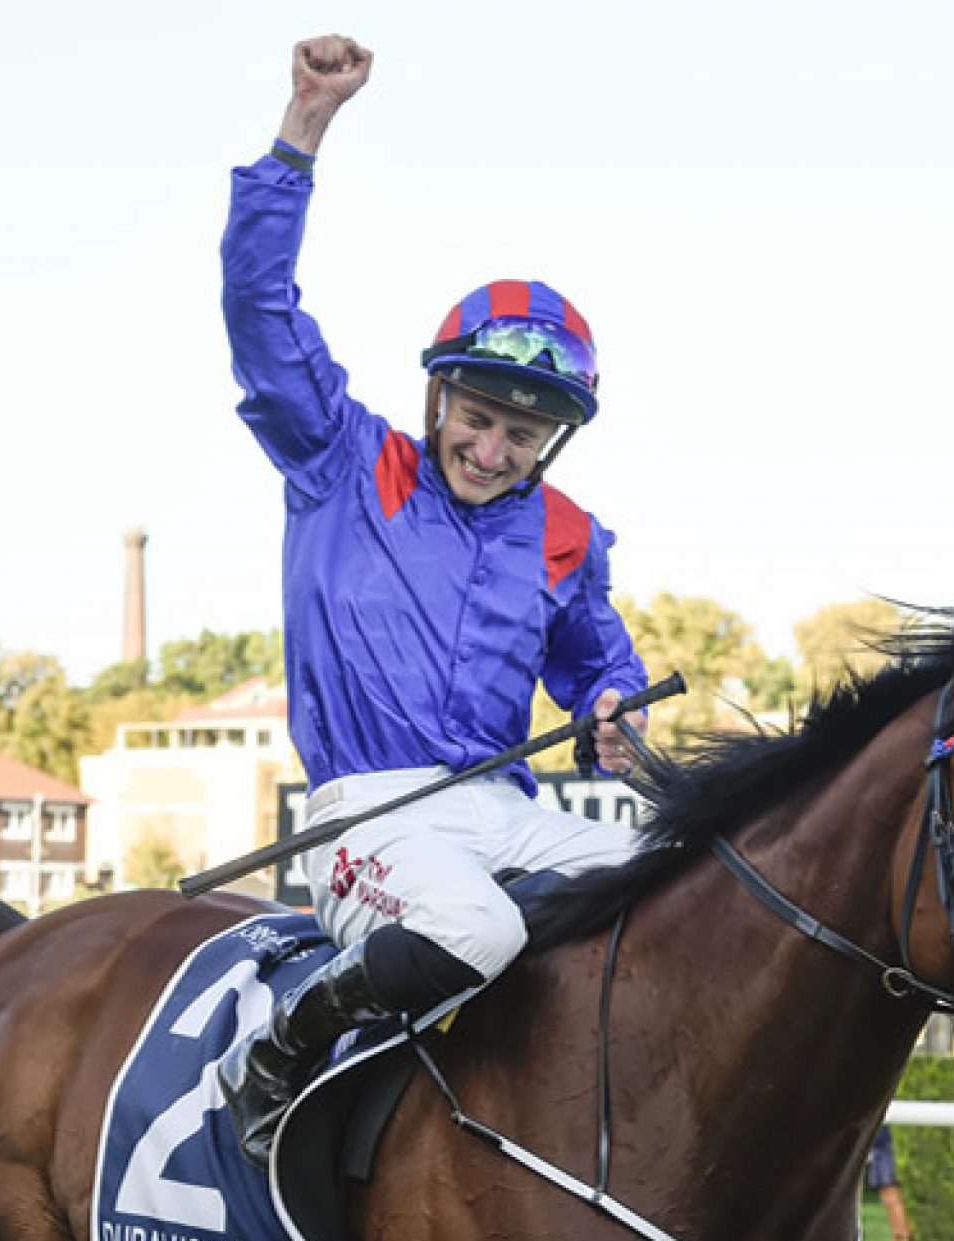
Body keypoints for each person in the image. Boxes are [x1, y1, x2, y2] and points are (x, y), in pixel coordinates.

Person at [213, 35, 652, 1169]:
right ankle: (275, 1047)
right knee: (475, 926)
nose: (493, 447)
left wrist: (617, 710)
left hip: (499, 809)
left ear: (550, 440)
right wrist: (304, 127)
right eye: (479, 415)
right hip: (369, 812)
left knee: (676, 877)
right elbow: (260, 310)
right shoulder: (341, 458)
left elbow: (602, 662)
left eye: (524, 432)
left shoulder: (563, 535)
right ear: (439, 392)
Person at [868, 1124, 914, 1241]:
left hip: (887, 1149)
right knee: (887, 1195)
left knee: (891, 1195)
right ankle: (899, 1238)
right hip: (880, 1150)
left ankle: (904, 1238)